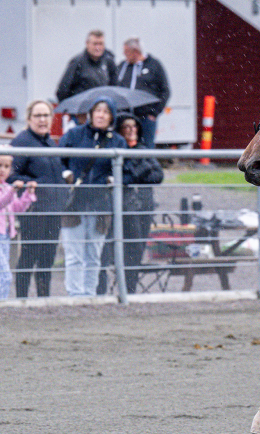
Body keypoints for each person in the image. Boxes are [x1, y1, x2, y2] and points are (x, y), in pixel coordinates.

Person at [59, 97, 127, 297]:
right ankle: (75, 293)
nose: (101, 115)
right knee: (74, 254)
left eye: (106, 112)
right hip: (74, 203)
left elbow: (127, 169)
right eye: (97, 110)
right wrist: (66, 174)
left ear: (112, 116)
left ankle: (89, 293)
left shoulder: (117, 141)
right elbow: (59, 160)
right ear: (90, 113)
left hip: (100, 204)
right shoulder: (73, 135)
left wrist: (113, 177)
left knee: (94, 255)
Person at [97, 113, 164, 295]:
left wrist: (135, 174)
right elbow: (125, 175)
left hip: (143, 208)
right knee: (118, 250)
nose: (131, 130)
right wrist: (140, 172)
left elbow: (158, 176)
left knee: (136, 251)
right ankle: (116, 289)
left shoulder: (142, 149)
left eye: (134, 127)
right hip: (123, 208)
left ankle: (130, 291)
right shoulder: (117, 150)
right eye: (126, 127)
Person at [9, 100, 69, 298]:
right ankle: (22, 300)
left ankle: (44, 299)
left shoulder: (50, 142)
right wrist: (31, 184)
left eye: (46, 115)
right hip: (34, 210)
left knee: (47, 257)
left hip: (53, 209)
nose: (43, 120)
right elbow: (9, 175)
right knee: (29, 255)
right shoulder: (22, 142)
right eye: (38, 115)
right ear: (28, 119)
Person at [116, 37, 171, 148]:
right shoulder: (123, 66)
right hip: (125, 116)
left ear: (136, 51)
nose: (124, 54)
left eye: (126, 51)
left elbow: (165, 91)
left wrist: (154, 113)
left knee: (146, 146)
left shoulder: (154, 65)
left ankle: (146, 164)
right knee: (124, 145)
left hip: (146, 117)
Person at [0, 156, 37, 299]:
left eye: (6, 166)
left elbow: (16, 208)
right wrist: (12, 191)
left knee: (3, 274)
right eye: (0, 165)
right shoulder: (9, 190)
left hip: (6, 236)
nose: (2, 170)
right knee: (5, 276)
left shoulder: (7, 187)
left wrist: (28, 194)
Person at [56, 30, 118, 103]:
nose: (98, 48)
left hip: (101, 108)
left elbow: (115, 88)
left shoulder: (109, 62)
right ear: (87, 44)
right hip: (82, 109)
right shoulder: (77, 62)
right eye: (95, 44)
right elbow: (62, 90)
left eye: (101, 44)